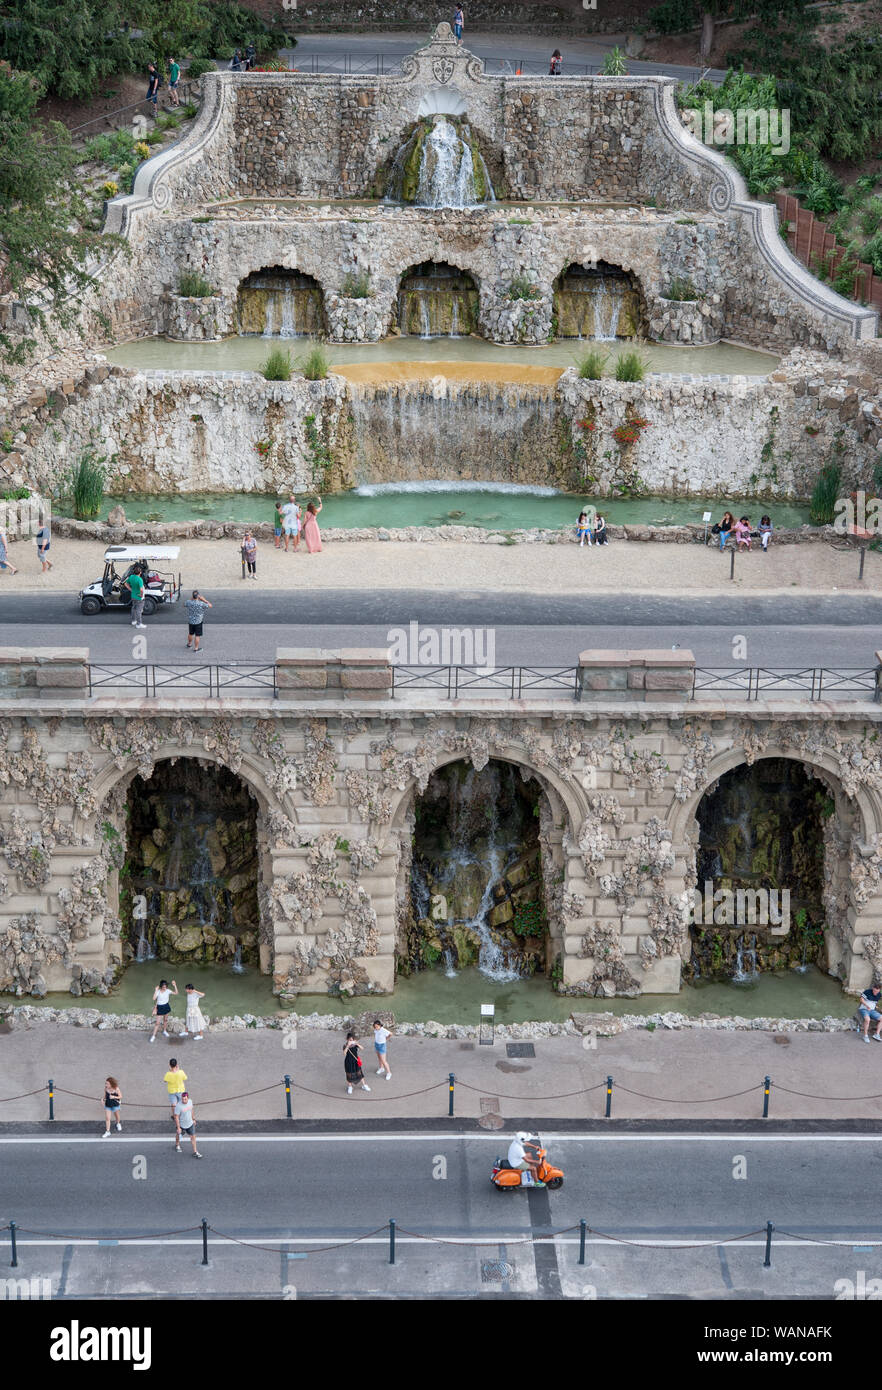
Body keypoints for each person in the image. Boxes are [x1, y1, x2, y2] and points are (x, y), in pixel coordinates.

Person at [173, 1092, 203, 1157]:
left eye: (185, 1099)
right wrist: (178, 1127)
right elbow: (176, 1117)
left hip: (190, 1124)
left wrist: (193, 1119)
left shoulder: (190, 1102)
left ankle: (195, 1152)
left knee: (193, 1137)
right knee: (178, 1135)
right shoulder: (178, 1106)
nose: (184, 1101)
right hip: (182, 1125)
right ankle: (177, 1144)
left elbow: (191, 1110)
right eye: (183, 1099)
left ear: (188, 1098)